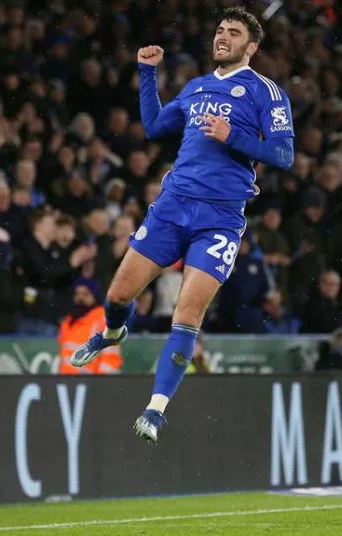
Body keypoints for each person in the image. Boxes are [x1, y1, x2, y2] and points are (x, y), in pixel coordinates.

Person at [69, 6, 294, 443]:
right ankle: (114, 331)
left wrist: (236, 138)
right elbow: (154, 126)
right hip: (173, 206)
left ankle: (155, 411)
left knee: (187, 313)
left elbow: (283, 155)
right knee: (117, 294)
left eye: (233, 32)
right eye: (220, 30)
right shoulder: (196, 87)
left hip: (221, 219)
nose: (222, 37)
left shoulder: (267, 93)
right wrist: (147, 73)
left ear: (252, 46)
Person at [58, 278, 122, 375]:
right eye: (77, 294)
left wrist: (99, 384)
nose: (80, 298)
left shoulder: (103, 320)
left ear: (94, 297)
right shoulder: (68, 322)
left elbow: (110, 358)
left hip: (90, 384)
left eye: (85, 294)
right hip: (67, 383)